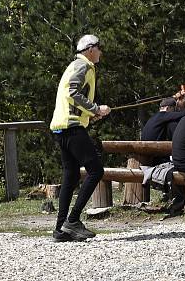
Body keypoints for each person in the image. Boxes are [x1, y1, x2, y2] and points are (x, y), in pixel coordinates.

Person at [49, 34, 111, 242]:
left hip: (61, 126)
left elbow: (71, 97)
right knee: (96, 170)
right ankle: (73, 220)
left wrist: (91, 114)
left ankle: (60, 230)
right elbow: (72, 92)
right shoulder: (83, 66)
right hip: (71, 126)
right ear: (90, 49)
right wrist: (95, 108)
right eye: (99, 47)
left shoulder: (75, 65)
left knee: (71, 175)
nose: (101, 51)